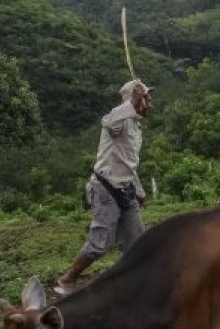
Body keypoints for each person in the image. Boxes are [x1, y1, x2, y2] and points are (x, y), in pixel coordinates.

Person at [55, 79, 152, 295]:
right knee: (100, 243)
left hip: (125, 188)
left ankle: (131, 285)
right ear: (135, 100)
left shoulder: (136, 126)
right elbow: (108, 121)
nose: (151, 103)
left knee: (136, 242)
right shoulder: (119, 122)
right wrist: (131, 102)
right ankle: (68, 278)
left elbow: (127, 162)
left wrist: (139, 190)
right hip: (105, 189)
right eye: (147, 98)